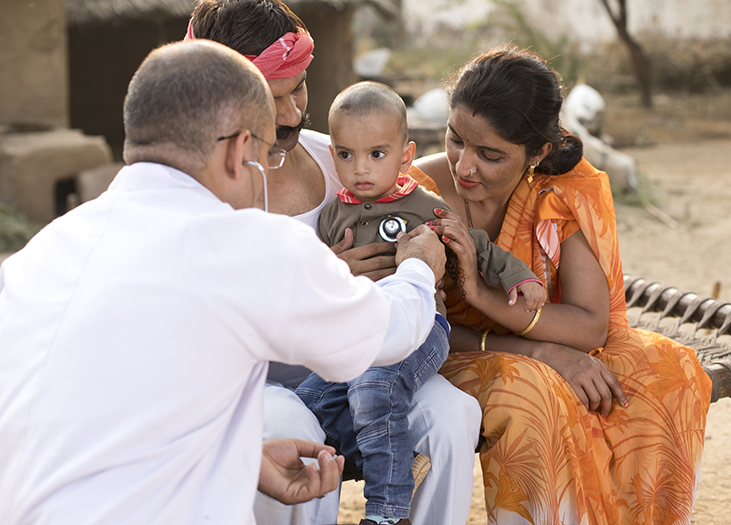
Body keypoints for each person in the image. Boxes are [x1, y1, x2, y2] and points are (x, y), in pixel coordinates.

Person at [0, 39, 448, 524]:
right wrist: (420, 266)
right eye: (266, 157)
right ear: (240, 152)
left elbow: (109, 410)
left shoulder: (39, 254)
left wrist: (240, 459)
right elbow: (389, 333)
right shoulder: (243, 243)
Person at [186, 3, 483, 524]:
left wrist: (424, 269)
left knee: (453, 414)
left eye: (297, 88)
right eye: (271, 98)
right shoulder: (200, 191)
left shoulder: (341, 159)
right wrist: (323, 284)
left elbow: (418, 211)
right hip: (254, 385)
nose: (290, 112)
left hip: (365, 364)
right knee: (292, 425)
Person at [413, 45, 713, 524]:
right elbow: (414, 330)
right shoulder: (414, 195)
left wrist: (488, 298)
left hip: (532, 335)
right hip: (440, 354)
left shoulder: (562, 193)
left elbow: (592, 326)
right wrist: (536, 352)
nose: (464, 166)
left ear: (540, 153)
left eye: (490, 155)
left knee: (667, 368)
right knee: (532, 389)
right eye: (455, 139)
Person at [295, 81, 545, 525]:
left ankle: (387, 511)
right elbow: (314, 283)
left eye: (377, 154)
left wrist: (518, 277)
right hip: (357, 334)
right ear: (333, 156)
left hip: (422, 331)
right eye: (346, 156)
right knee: (309, 401)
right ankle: (388, 459)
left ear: (405, 156)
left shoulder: (424, 205)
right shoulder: (334, 213)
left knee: (375, 386)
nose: (361, 169)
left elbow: (479, 246)